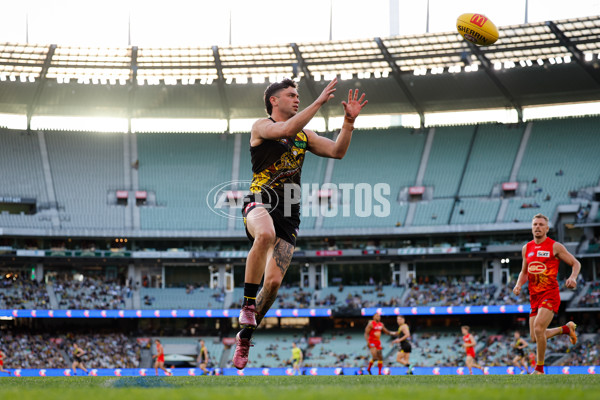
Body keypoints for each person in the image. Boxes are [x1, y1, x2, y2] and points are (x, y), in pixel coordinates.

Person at [232, 77, 368, 369]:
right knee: (264, 234)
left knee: (273, 284)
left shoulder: (304, 136)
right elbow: (285, 129)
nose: (296, 99)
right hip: (261, 199)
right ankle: (246, 304)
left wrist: (348, 122)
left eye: (299, 96)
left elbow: (338, 151)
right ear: (274, 100)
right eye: (291, 95)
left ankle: (245, 335)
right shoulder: (261, 126)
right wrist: (318, 101)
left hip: (290, 211)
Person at [513, 213, 580, 374]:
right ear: (531, 228)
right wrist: (517, 285)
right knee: (535, 337)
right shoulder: (526, 248)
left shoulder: (554, 246)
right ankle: (566, 329)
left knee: (538, 327)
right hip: (534, 297)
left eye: (541, 224)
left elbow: (575, 263)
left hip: (550, 294)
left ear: (547, 228)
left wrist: (573, 277)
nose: (537, 227)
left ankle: (539, 369)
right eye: (535, 224)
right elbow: (524, 272)